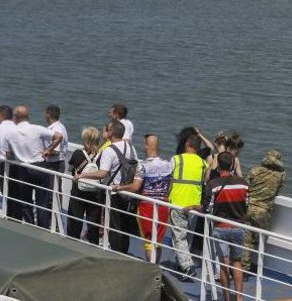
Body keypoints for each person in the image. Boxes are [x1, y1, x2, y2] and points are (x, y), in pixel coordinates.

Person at [194, 151, 248, 301]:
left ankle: (226, 297)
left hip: (220, 228)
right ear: (232, 165)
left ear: (218, 165)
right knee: (237, 262)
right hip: (238, 227)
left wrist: (192, 207)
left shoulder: (213, 184)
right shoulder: (243, 183)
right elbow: (247, 205)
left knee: (224, 264)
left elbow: (207, 209)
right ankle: (239, 298)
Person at [76, 121, 137, 253]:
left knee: (113, 226)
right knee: (123, 226)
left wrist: (82, 175)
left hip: (113, 194)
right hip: (126, 191)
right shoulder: (130, 148)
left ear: (111, 133)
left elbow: (102, 173)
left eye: (108, 130)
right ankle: (123, 251)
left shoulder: (109, 150)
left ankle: (115, 252)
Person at [112, 133, 174, 262]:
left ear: (148, 146)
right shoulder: (168, 165)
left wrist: (121, 187)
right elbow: (170, 186)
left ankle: (151, 270)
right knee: (158, 241)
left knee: (148, 242)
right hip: (163, 206)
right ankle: (157, 268)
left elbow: (135, 187)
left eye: (145, 144)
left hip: (147, 206)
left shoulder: (143, 166)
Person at [6, 105, 63, 228]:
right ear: (27, 117)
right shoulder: (37, 129)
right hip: (40, 168)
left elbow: (9, 154)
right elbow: (59, 137)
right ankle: (43, 228)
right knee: (42, 203)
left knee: (25, 202)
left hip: (24, 169)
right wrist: (48, 150)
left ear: (15, 117)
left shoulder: (10, 133)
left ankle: (30, 226)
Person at [168, 133, 208, 282]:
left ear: (187, 145)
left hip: (178, 203)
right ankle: (182, 266)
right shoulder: (204, 164)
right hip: (194, 206)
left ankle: (188, 267)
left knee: (179, 237)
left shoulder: (177, 159)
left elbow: (167, 176)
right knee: (187, 238)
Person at [241, 149, 286, 269]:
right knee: (261, 240)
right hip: (263, 211)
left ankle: (244, 267)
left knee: (246, 239)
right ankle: (258, 266)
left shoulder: (255, 170)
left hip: (249, 208)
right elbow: (277, 192)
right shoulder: (280, 175)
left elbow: (246, 187)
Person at [65, 126, 102, 244]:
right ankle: (93, 244)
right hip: (95, 193)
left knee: (74, 219)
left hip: (78, 191)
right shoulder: (102, 155)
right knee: (93, 222)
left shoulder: (77, 153)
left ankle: (72, 242)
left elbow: (70, 168)